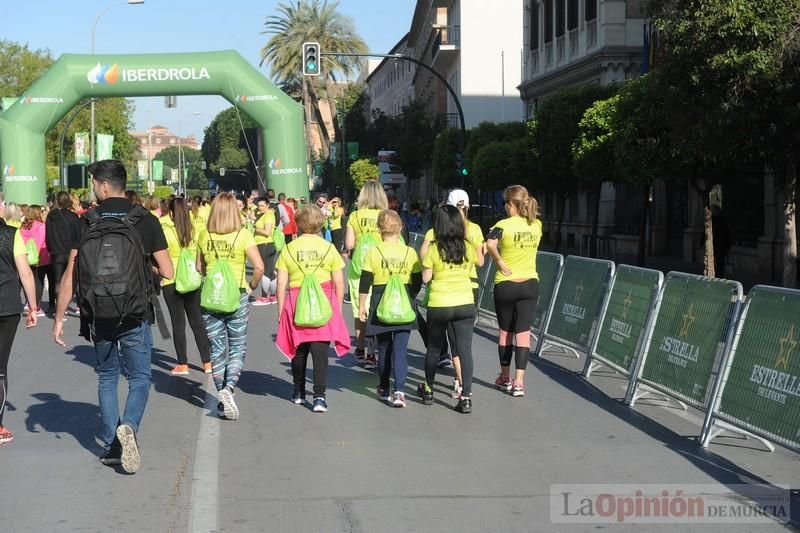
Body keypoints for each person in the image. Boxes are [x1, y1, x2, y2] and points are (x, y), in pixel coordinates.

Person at [53, 159, 173, 474]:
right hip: (134, 311)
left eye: (94, 184)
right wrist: (144, 266)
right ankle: (129, 425)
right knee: (140, 377)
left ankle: (112, 445)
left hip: (98, 312)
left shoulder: (87, 220)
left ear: (104, 186)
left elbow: (72, 273)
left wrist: (59, 317)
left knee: (107, 377)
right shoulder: (144, 219)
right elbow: (168, 271)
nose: (93, 189)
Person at [275, 205, 350, 413]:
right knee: (320, 353)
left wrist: (281, 310)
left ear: (297, 223)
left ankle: (298, 391)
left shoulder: (289, 249)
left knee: (298, 351)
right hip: (323, 303)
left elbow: (281, 283)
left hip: (296, 301)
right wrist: (338, 308)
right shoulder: (328, 248)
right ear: (320, 222)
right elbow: (339, 282)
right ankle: (319, 396)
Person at [196, 192, 264, 421]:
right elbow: (260, 267)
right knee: (237, 347)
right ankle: (229, 388)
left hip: (212, 298)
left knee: (216, 349)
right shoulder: (243, 235)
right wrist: (250, 286)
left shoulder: (204, 235)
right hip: (237, 295)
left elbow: (199, 267)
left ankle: (220, 395)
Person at [419, 189, 485, 397]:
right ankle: (466, 395)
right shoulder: (467, 246)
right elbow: (477, 263)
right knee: (464, 349)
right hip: (465, 301)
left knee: (434, 348)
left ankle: (428, 389)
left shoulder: (434, 247)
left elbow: (426, 278)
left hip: (440, 303)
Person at [358, 210, 422, 408]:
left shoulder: (373, 252)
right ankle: (400, 391)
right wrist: (409, 296)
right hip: (403, 302)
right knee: (401, 349)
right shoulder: (410, 252)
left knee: (384, 348)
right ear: (401, 228)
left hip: (379, 302)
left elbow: (365, 281)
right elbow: (418, 281)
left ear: (379, 229)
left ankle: (384, 387)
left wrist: (362, 305)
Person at [485, 184, 542, 398]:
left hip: (506, 283)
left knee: (505, 332)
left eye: (505, 204)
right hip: (529, 283)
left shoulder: (502, 225)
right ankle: (519, 382)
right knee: (524, 333)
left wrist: (499, 261)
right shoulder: (536, 224)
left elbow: (490, 243)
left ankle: (504, 376)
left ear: (510, 204)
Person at [0, 196, 39, 446]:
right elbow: (25, 272)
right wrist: (32, 306)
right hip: (6, 305)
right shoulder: (11, 234)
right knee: (0, 368)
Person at [161, 197, 212, 376]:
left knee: (178, 323)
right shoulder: (196, 228)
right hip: (193, 278)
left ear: (172, 212)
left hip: (171, 279)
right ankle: (207, 362)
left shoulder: (165, 229)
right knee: (197, 322)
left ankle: (183, 364)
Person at [344, 180, 388, 368]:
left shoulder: (354, 216)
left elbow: (349, 245)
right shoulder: (386, 216)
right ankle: (373, 350)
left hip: (359, 268)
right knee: (377, 308)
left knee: (359, 308)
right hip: (381, 266)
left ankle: (360, 347)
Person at [46, 191, 81, 317]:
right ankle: (78, 306)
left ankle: (59, 308)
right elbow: (78, 236)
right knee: (74, 279)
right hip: (71, 251)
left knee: (57, 281)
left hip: (56, 252)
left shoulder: (50, 217)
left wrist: (51, 249)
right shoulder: (73, 217)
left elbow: (48, 236)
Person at [20, 204, 51, 317]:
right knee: (38, 282)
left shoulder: (23, 226)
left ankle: (28, 303)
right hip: (40, 258)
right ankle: (36, 307)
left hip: (25, 257)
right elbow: (40, 242)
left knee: (28, 281)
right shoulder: (41, 226)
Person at [252, 196, 277, 306]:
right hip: (264, 244)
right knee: (270, 272)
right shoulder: (261, 214)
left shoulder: (268, 215)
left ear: (267, 205)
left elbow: (267, 232)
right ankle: (273, 296)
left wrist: (256, 229)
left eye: (262, 205)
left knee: (265, 271)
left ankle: (264, 297)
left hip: (265, 244)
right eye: (259, 205)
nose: (260, 207)